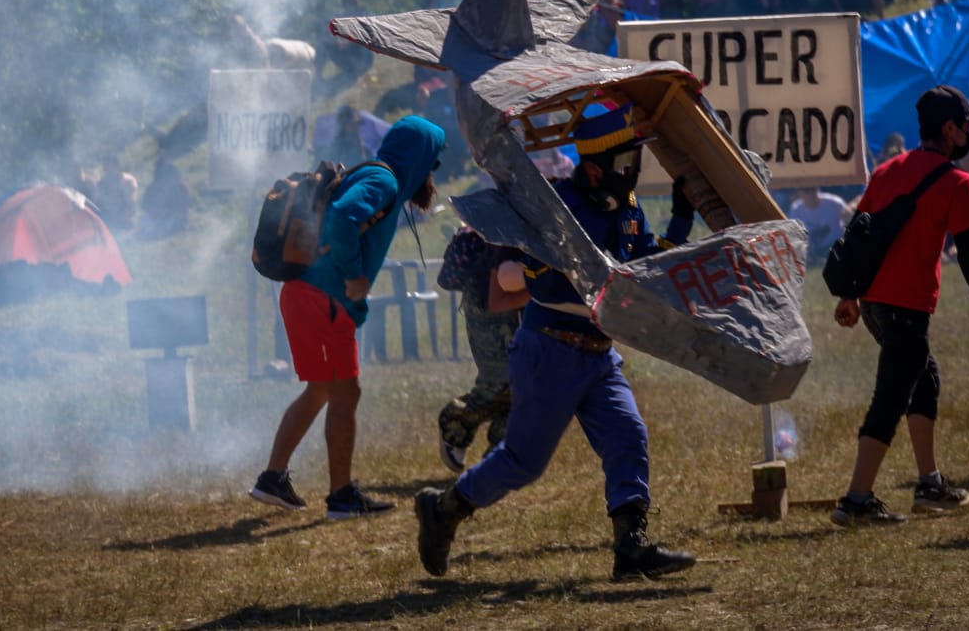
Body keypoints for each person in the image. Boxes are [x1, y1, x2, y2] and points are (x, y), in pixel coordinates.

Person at [415, 105, 697, 581]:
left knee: (628, 435)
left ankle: (630, 547)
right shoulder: (554, 211)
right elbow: (542, 284)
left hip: (598, 353)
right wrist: (595, 265)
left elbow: (645, 266)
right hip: (550, 349)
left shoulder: (626, 208)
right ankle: (443, 509)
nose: (631, 171)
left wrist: (680, 224)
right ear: (591, 168)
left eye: (634, 160)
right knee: (522, 463)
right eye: (623, 162)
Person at [250, 115, 445, 519]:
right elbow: (342, 218)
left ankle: (272, 479)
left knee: (321, 390)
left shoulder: (375, 174)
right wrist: (355, 274)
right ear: (419, 155)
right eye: (433, 160)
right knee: (345, 393)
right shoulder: (385, 181)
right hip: (324, 299)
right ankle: (341, 497)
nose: (433, 172)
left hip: (303, 294)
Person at [830, 86, 969, 526]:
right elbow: (968, 253)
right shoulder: (958, 182)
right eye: (967, 126)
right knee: (890, 397)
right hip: (906, 306)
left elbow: (858, 235)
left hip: (874, 303)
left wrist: (850, 295)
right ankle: (856, 499)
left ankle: (930, 483)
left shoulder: (888, 170)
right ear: (949, 129)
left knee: (922, 379)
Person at [434, 227, 529, 472]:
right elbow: (496, 298)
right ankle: (456, 422)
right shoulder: (510, 219)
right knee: (500, 383)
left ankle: (498, 455)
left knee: (528, 388)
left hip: (516, 296)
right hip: (487, 298)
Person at [788, 187, 850, 265]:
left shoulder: (834, 203)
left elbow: (849, 220)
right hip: (812, 251)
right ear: (799, 193)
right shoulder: (795, 209)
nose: (811, 194)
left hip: (834, 247)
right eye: (806, 190)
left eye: (813, 189)